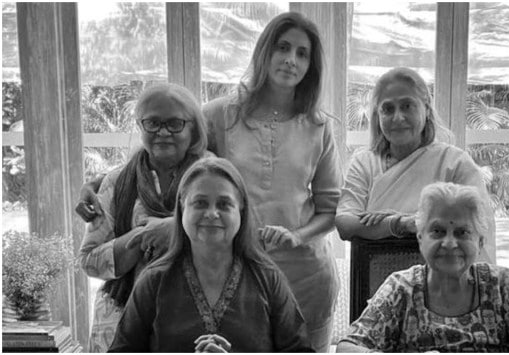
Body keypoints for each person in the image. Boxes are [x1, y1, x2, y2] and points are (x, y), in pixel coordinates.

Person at [202, 12, 342, 352]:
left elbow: (330, 208)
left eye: (302, 53)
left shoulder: (318, 125)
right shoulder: (220, 115)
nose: (291, 60)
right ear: (265, 51)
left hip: (307, 278)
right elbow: (170, 161)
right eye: (283, 47)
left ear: (312, 65)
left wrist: (296, 236)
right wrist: (103, 185)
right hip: (235, 274)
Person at [108, 157, 312, 352]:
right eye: (200, 203)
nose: (212, 213)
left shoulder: (267, 279)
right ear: (182, 207)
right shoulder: (153, 282)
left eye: (224, 204)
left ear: (241, 210)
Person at [337, 182, 509, 353]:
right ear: (420, 238)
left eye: (462, 232)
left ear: (479, 242)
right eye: (437, 231)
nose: (449, 243)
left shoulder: (503, 286)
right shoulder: (401, 288)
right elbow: (348, 348)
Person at [78, 83, 211, 352]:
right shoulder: (117, 182)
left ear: (193, 129)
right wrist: (138, 237)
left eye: (175, 123)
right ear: (140, 126)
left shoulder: (213, 176)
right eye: (152, 122)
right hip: (119, 319)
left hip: (192, 319)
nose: (162, 132)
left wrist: (175, 229)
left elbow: (230, 237)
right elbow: (89, 260)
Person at [336, 67, 496, 262]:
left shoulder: (455, 163)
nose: (397, 117)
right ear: (377, 116)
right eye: (387, 109)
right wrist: (399, 223)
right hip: (374, 280)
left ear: (426, 109)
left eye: (407, 106)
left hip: (444, 278)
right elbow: (345, 223)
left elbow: (474, 228)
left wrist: (413, 222)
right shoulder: (364, 163)